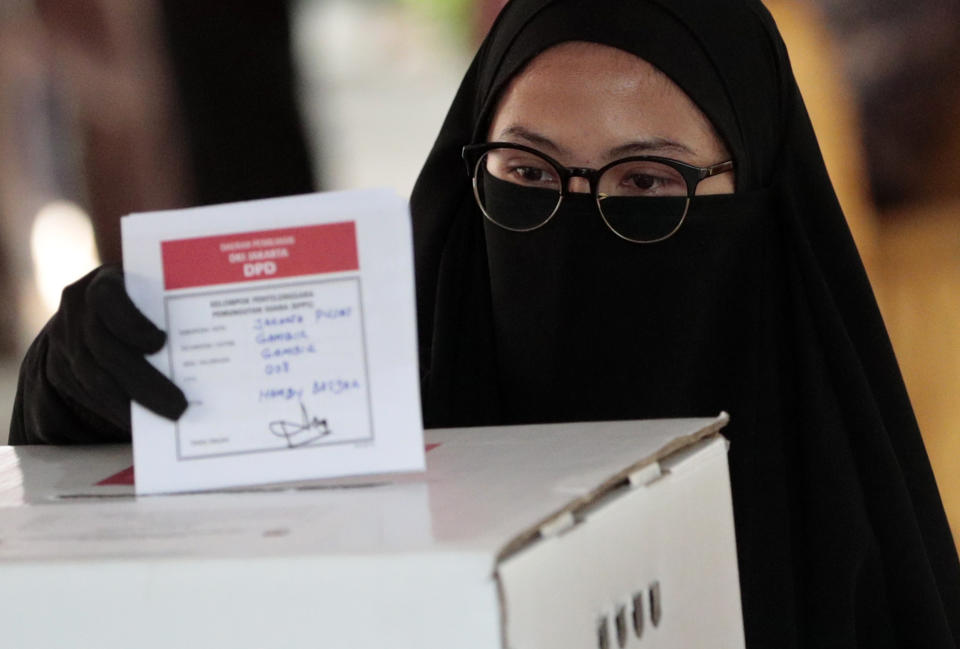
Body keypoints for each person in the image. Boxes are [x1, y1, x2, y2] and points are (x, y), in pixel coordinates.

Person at [9, 0, 960, 646]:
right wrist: (76, 403)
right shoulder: (374, 413)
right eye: (528, 175)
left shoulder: (848, 542)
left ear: (755, 201)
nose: (579, 224)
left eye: (647, 185)